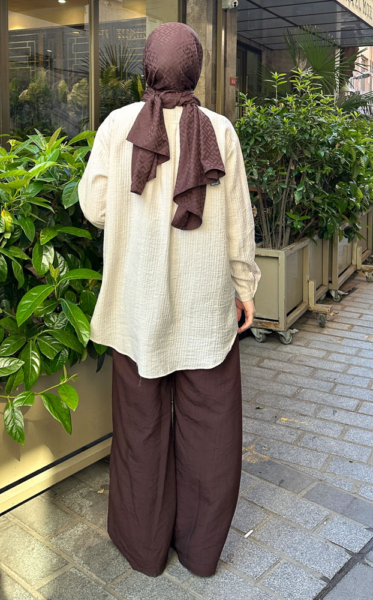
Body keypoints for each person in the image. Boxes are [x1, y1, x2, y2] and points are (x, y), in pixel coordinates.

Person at [78, 21, 261, 578]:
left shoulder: (118, 125)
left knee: (140, 432)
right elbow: (239, 224)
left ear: (148, 66)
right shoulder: (220, 130)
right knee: (212, 434)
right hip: (205, 311)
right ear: (196, 67)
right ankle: (201, 554)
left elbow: (96, 209)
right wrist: (245, 288)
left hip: (136, 310)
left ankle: (145, 550)